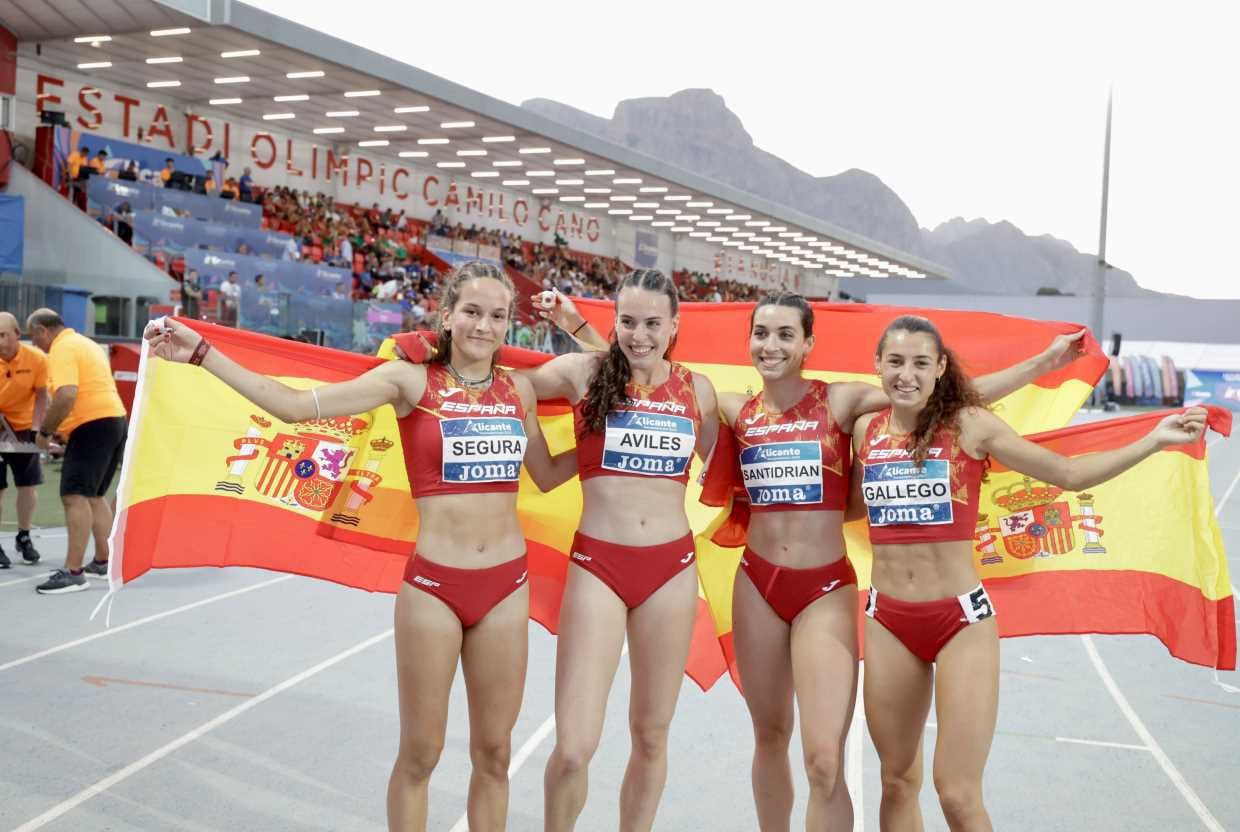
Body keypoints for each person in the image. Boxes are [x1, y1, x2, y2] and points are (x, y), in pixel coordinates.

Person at [146, 261, 576, 831]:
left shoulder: (519, 388)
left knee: (494, 755)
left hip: (506, 587)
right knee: (421, 753)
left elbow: (549, 467)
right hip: (435, 589)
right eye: (471, 312)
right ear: (446, 317)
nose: (484, 326)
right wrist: (203, 354)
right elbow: (294, 407)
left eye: (498, 316)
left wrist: (603, 449)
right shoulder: (408, 382)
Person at [849, 315, 1205, 831]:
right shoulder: (866, 430)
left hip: (959, 624)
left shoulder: (970, 425)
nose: (907, 374)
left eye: (921, 363)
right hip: (888, 621)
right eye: (896, 362)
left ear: (940, 368)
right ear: (878, 366)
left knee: (957, 793)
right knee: (896, 781)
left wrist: (1153, 440)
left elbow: (1066, 473)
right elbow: (849, 506)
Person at [407, 269, 719, 830]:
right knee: (575, 746)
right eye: (627, 322)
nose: (639, 334)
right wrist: (430, 346)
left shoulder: (699, 391)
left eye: (653, 323)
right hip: (600, 565)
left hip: (671, 570)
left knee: (651, 735)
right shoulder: (583, 373)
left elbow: (733, 465)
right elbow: (496, 378)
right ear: (613, 322)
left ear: (675, 326)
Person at [26, 309, 128, 595]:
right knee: (95, 497)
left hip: (92, 425)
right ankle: (103, 560)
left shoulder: (61, 348)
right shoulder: (86, 343)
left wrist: (45, 431)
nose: (35, 344)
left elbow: (67, 394)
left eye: (34, 338)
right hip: (114, 420)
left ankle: (74, 572)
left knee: (74, 497)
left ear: (43, 331)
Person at [0, 312, 49, 568]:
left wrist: (36, 428)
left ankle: (24, 537)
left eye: (3, 335)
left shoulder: (37, 359)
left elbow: (42, 395)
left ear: (18, 334)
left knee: (27, 485)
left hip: (23, 429)